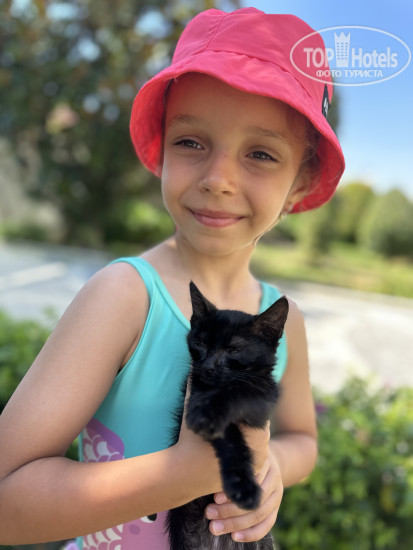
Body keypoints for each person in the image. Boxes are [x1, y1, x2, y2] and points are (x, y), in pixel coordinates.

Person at [0, 7, 344, 549]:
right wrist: (185, 471)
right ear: (162, 148)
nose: (218, 178)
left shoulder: (282, 319)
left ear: (299, 184)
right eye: (191, 142)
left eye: (260, 153)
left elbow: (302, 438)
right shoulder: (124, 296)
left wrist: (272, 462)